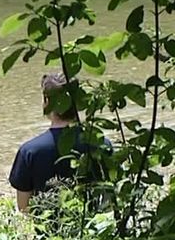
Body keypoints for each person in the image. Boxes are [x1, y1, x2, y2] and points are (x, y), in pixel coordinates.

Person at [9, 72, 110, 213]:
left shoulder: (29, 151)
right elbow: (111, 199)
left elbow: (24, 208)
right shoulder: (101, 144)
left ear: (47, 103)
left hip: (47, 232)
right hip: (95, 229)